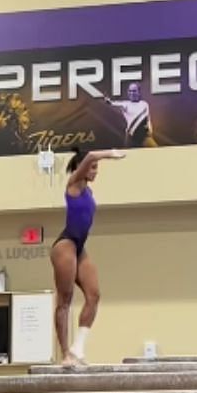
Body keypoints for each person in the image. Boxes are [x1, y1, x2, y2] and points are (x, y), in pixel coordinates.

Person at [53, 145, 126, 366]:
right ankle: (65, 353)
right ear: (82, 168)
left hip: (79, 246)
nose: (96, 171)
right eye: (92, 168)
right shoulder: (73, 185)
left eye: (96, 168)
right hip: (65, 245)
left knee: (94, 295)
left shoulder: (88, 191)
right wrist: (112, 154)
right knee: (64, 301)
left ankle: (78, 349)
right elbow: (92, 155)